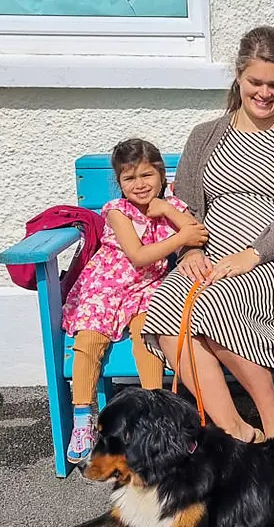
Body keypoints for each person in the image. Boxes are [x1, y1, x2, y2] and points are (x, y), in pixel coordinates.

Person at [141, 26, 274, 443]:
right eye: (255, 81)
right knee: (167, 305)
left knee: (207, 304)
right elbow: (183, 205)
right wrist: (187, 251)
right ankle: (236, 432)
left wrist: (250, 255)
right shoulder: (204, 136)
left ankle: (273, 417)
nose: (264, 92)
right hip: (210, 257)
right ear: (238, 77)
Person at [60, 138, 209, 463]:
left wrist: (168, 210)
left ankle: (153, 415)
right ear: (119, 182)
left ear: (160, 175)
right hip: (107, 285)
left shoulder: (169, 205)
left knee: (149, 337)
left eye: (146, 176)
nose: (139, 185)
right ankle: (83, 416)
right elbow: (139, 255)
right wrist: (180, 237)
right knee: (89, 338)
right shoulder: (117, 211)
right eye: (129, 179)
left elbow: (198, 232)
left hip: (147, 289)